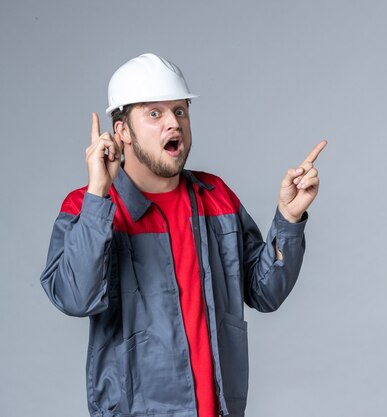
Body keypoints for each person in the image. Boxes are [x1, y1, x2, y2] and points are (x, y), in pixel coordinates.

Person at [40, 53, 326, 417]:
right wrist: (99, 194)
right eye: (154, 113)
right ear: (122, 131)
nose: (173, 124)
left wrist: (289, 216)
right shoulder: (89, 205)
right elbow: (74, 298)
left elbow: (264, 292)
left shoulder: (216, 197)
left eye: (180, 110)